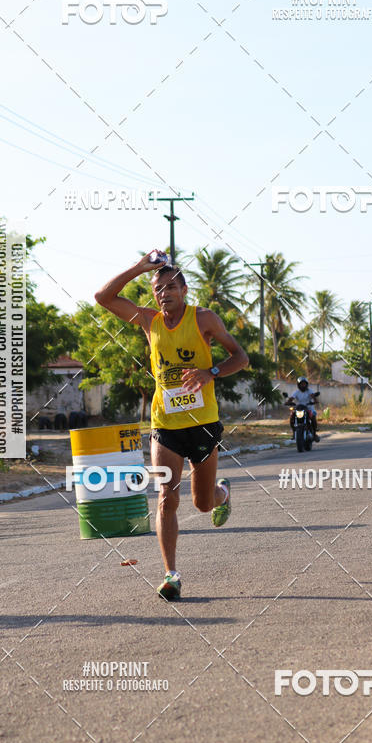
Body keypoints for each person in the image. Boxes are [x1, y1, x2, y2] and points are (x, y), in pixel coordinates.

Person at [95, 250, 249, 600]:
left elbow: (240, 357)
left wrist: (209, 372)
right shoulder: (149, 321)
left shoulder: (204, 318)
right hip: (164, 425)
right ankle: (171, 574)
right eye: (157, 288)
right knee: (166, 497)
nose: (163, 293)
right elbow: (103, 298)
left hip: (203, 423)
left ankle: (222, 493)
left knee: (203, 504)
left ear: (184, 289)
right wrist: (138, 267)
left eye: (169, 287)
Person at [289, 377, 320, 442]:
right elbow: (291, 398)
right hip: (299, 408)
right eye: (301, 384)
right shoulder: (296, 392)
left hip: (309, 408)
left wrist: (315, 401)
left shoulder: (309, 391)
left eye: (304, 384)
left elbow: (313, 397)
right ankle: (294, 433)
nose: (303, 385)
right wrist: (288, 402)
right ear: (298, 385)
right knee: (292, 416)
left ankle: (314, 433)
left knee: (313, 417)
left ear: (306, 384)